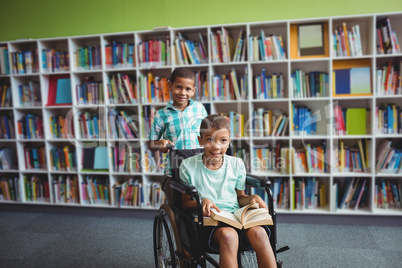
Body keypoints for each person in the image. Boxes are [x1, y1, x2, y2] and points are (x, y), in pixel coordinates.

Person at [179, 114, 276, 268]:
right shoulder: (187, 166)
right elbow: (185, 204)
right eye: (209, 139)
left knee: (260, 233)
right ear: (200, 141)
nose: (216, 146)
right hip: (209, 223)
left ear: (229, 142)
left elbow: (240, 197)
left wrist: (251, 199)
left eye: (223, 140)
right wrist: (202, 201)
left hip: (235, 217)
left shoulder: (237, 164)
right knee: (229, 235)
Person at [147, 67, 208, 175]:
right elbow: (151, 144)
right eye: (178, 87)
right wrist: (160, 143)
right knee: (176, 191)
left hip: (199, 168)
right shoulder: (161, 115)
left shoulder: (200, 109)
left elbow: (208, 135)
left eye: (188, 89)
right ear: (170, 86)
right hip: (174, 168)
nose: (182, 93)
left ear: (193, 90)